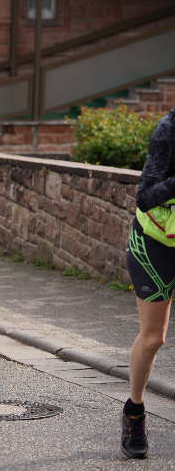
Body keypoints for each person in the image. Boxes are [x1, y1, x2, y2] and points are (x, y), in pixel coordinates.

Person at [121, 108, 175, 460]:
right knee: (154, 337)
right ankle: (135, 411)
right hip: (156, 242)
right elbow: (146, 194)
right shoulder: (169, 129)